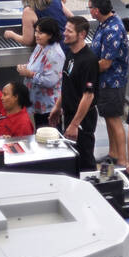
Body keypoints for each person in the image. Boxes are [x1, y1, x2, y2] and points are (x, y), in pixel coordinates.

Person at [53, 16, 99, 169]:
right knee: (72, 155)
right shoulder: (71, 53)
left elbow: (88, 95)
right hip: (70, 113)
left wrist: (74, 124)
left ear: (82, 34)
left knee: (84, 157)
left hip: (83, 118)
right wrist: (58, 106)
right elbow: (67, 84)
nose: (65, 33)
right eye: (65, 29)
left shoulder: (89, 60)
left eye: (69, 31)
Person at [88, 0, 128, 163]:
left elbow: (105, 63)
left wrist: (85, 69)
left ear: (96, 10)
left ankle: (123, 160)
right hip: (105, 82)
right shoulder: (104, 23)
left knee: (114, 120)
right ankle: (113, 154)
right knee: (109, 118)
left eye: (89, 8)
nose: (89, 11)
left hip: (112, 81)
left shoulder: (113, 28)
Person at [18, 17, 65, 128]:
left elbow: (50, 81)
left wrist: (29, 74)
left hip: (49, 107)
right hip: (38, 103)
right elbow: (35, 65)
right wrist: (26, 67)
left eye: (41, 33)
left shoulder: (55, 54)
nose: (36, 35)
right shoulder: (40, 46)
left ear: (50, 35)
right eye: (36, 31)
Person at [3, 0, 70, 47]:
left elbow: (27, 41)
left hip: (52, 50)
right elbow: (71, 16)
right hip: (67, 43)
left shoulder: (29, 11)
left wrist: (12, 35)